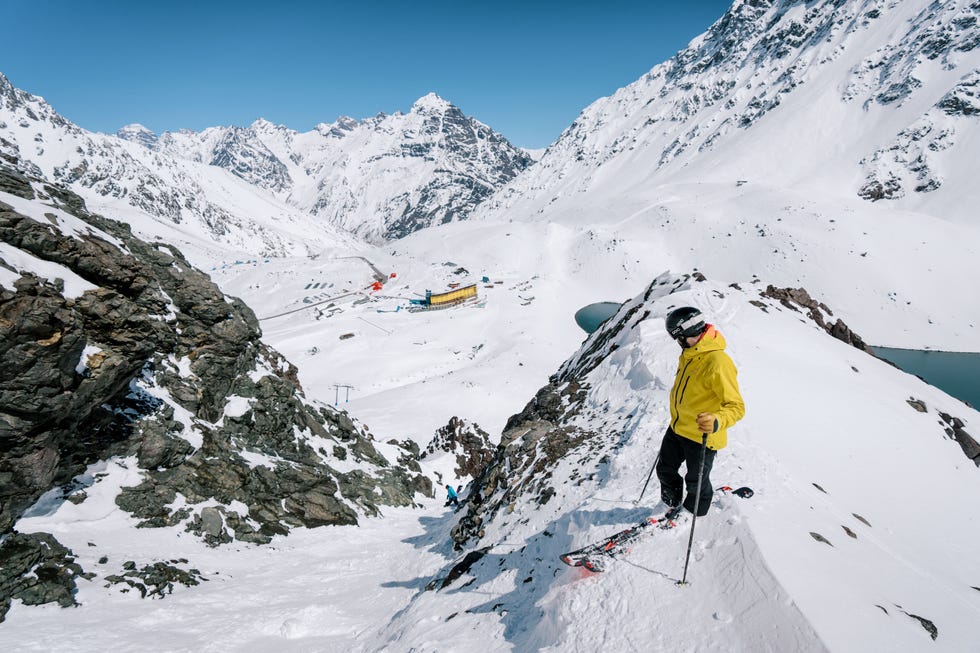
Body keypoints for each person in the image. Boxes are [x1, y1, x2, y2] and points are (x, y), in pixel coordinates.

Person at [656, 306, 745, 516]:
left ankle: (694, 513)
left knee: (696, 482)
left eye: (677, 337)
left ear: (685, 333)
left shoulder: (717, 362)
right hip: (678, 427)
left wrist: (716, 420)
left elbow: (737, 407)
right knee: (665, 470)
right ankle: (671, 503)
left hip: (702, 434)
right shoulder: (689, 353)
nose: (676, 342)